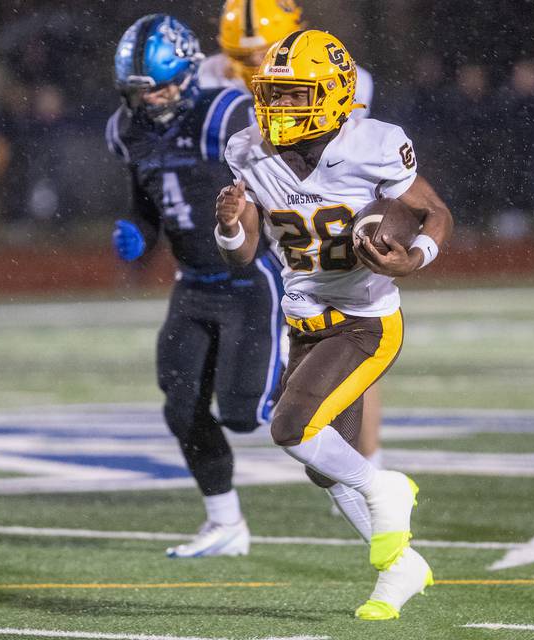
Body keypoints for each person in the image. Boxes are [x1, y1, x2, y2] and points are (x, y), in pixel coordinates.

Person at [214, 30, 453, 620]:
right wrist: (227, 226)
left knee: (291, 428)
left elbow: (435, 212)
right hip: (305, 322)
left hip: (365, 322)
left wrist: (414, 255)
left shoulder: (374, 145)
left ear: (332, 95)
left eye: (295, 96)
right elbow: (241, 257)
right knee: (326, 467)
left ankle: (384, 488)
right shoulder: (248, 149)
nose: (279, 108)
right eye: (273, 94)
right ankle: (400, 571)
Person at [106, 14, 284, 558]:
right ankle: (225, 523)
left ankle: (326, 396)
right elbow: (149, 198)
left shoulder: (226, 114)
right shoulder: (126, 129)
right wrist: (139, 230)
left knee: (243, 415)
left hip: (250, 278)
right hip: (193, 284)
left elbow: (288, 179)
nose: (151, 99)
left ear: (187, 75)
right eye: (140, 90)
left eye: (159, 86)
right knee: (180, 408)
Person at [201, 0, 385, 473]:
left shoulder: (341, 77)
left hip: (312, 221)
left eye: (258, 54)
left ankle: (367, 461)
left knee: (354, 331)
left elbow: (346, 164)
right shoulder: (210, 76)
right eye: (238, 58)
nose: (247, 69)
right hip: (250, 200)